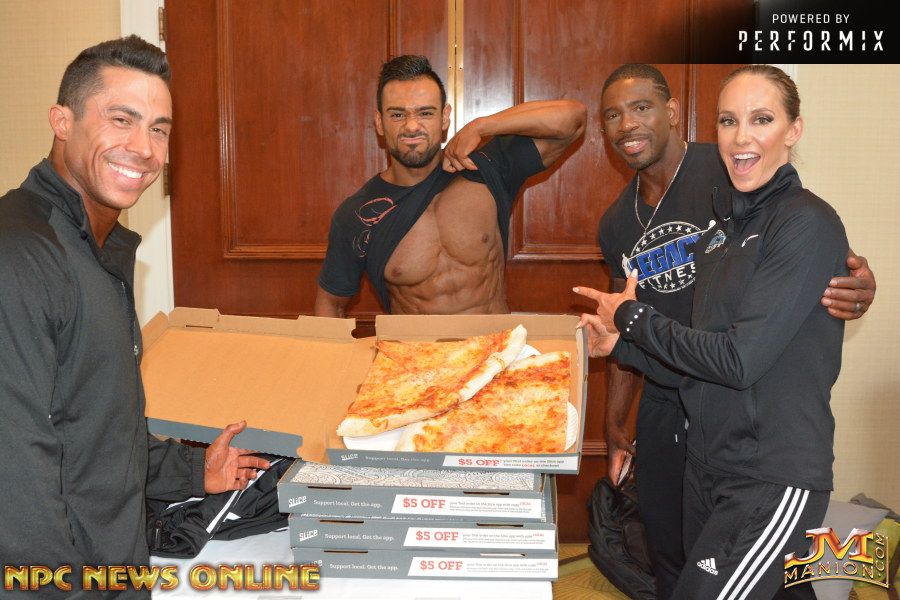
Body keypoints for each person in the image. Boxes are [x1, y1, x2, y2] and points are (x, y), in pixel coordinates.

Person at [0, 36, 269, 596]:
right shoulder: (20, 256)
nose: (144, 148)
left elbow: (94, 427)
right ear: (62, 121)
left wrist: (193, 472)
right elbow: (15, 481)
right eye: (121, 120)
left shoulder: (98, 251)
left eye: (159, 129)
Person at [595, 64, 876, 599]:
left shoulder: (790, 210)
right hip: (706, 447)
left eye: (761, 119)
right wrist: (623, 346)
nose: (741, 137)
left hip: (768, 463)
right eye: (728, 121)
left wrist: (632, 320)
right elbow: (704, 353)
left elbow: (742, 355)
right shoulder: (718, 234)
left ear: (793, 130)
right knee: (710, 574)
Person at [314, 55, 586, 316]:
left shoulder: (485, 169)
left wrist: (481, 126)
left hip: (494, 345)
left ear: (445, 118)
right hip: (416, 349)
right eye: (397, 115)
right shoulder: (359, 215)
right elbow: (330, 304)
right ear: (379, 123)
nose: (412, 126)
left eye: (425, 113)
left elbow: (573, 117)